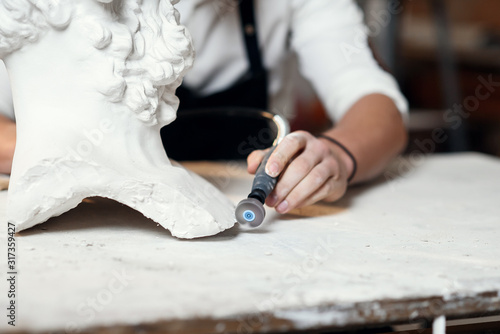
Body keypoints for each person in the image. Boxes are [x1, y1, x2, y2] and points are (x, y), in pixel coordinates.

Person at [0, 0, 408, 215]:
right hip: (91, 217)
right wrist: (81, 155)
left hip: (235, 204)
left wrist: (335, 155)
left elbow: (376, 106)